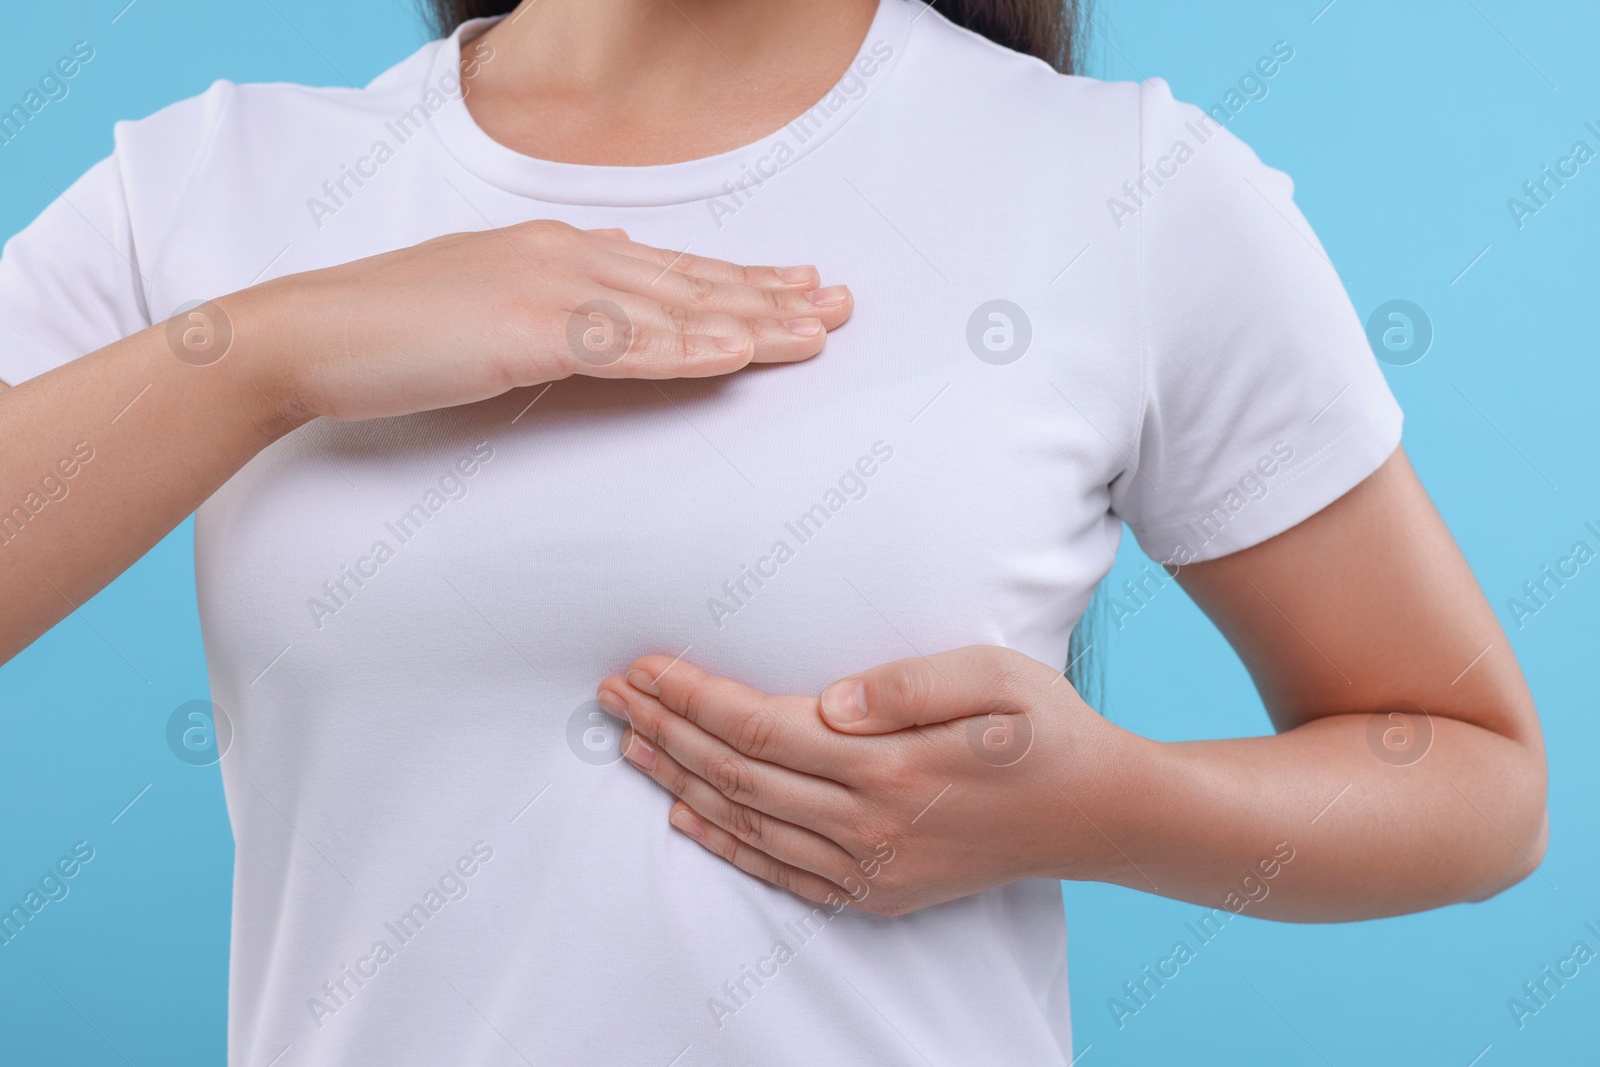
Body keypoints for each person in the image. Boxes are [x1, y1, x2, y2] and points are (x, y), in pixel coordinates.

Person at [0, 0, 1545, 1063]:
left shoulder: (1125, 187)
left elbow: (1479, 783)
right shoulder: (212, 186)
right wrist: (267, 356)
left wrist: (1107, 806)